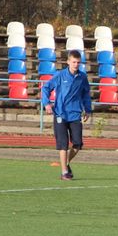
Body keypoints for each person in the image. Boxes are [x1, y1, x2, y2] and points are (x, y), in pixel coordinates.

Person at [41, 50, 92, 180]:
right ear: (68, 62)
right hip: (60, 114)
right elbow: (46, 88)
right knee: (63, 144)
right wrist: (46, 104)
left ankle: (66, 163)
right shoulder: (60, 75)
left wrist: (88, 109)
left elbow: (86, 94)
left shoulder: (82, 77)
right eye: (74, 62)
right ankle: (64, 172)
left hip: (75, 114)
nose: (76, 65)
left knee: (77, 144)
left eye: (78, 62)